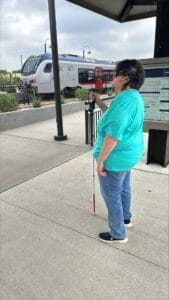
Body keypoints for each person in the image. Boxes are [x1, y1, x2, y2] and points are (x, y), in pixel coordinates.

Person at [92, 59, 145, 244]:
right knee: (123, 188)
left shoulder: (123, 101)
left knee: (111, 195)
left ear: (125, 78)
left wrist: (100, 160)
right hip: (128, 155)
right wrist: (98, 101)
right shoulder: (135, 96)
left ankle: (118, 233)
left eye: (115, 75)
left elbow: (113, 136)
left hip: (115, 159)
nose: (112, 80)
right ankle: (125, 218)